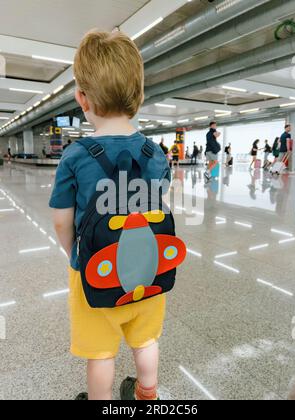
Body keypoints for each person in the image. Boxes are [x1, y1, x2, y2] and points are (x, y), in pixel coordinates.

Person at [49, 30, 170, 401]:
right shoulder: (157, 153)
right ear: (140, 95)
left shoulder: (75, 155)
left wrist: (75, 255)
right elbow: (160, 207)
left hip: (95, 274)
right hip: (148, 270)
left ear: (81, 98)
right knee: (145, 339)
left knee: (101, 353)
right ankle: (146, 393)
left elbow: (61, 218)